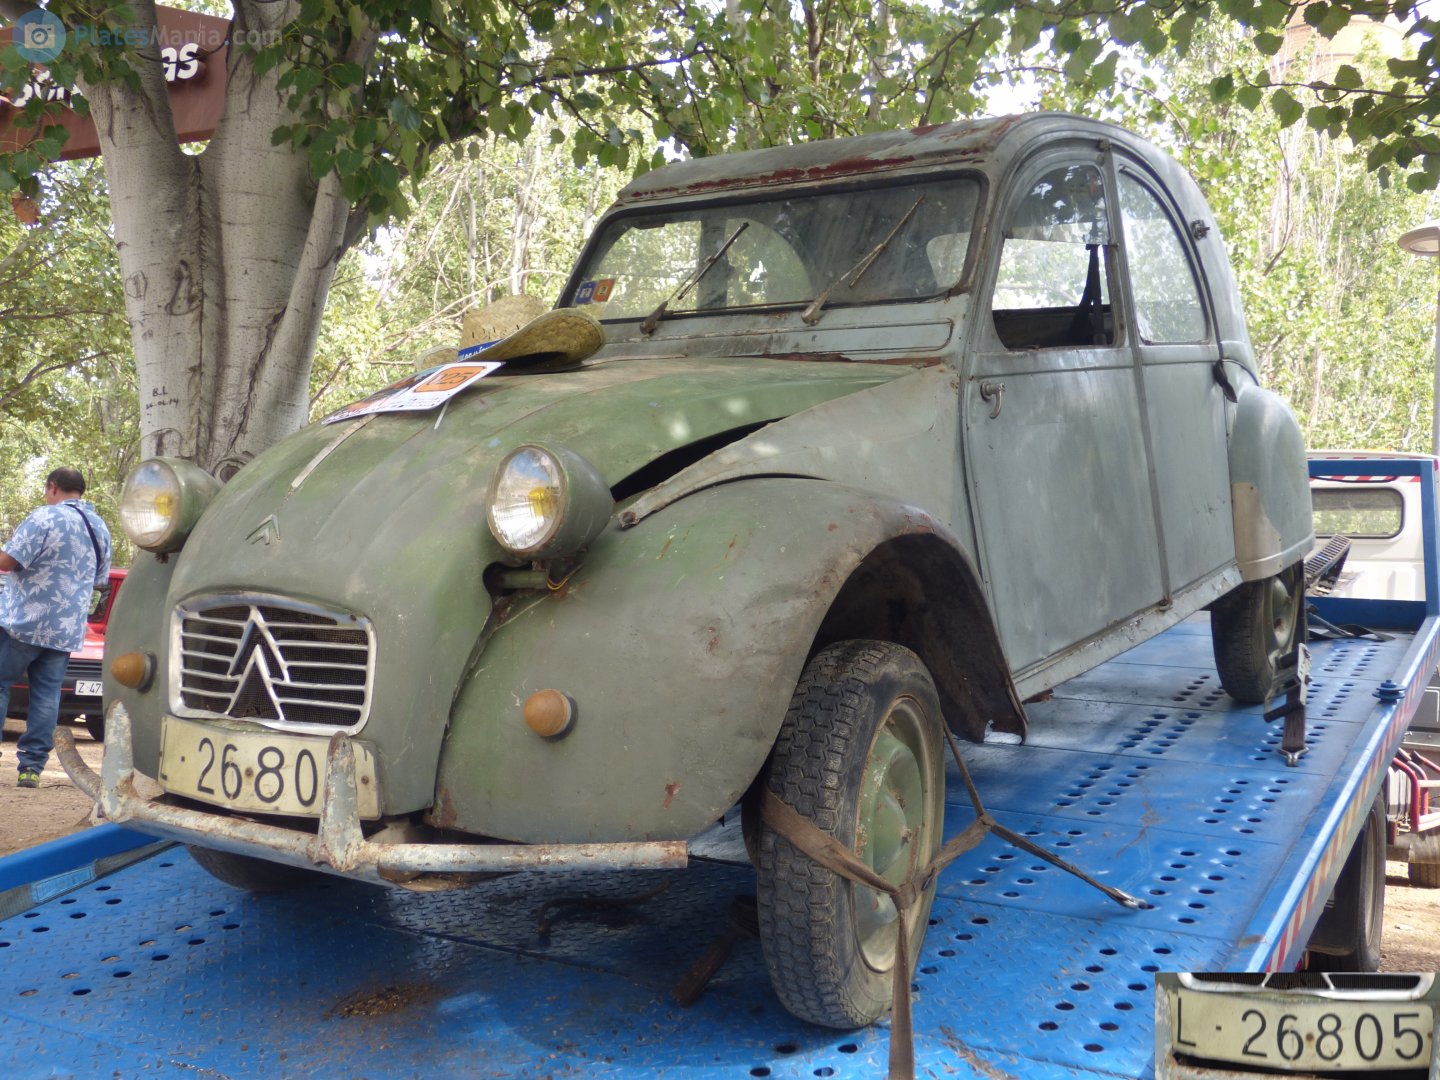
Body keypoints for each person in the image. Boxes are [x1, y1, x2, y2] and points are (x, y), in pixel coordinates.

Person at [0, 468, 112, 788]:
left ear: (52, 488)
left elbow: (7, 563)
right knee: (47, 697)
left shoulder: (45, 518)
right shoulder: (99, 528)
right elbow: (101, 581)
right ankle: (31, 768)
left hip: (24, 623)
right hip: (65, 628)